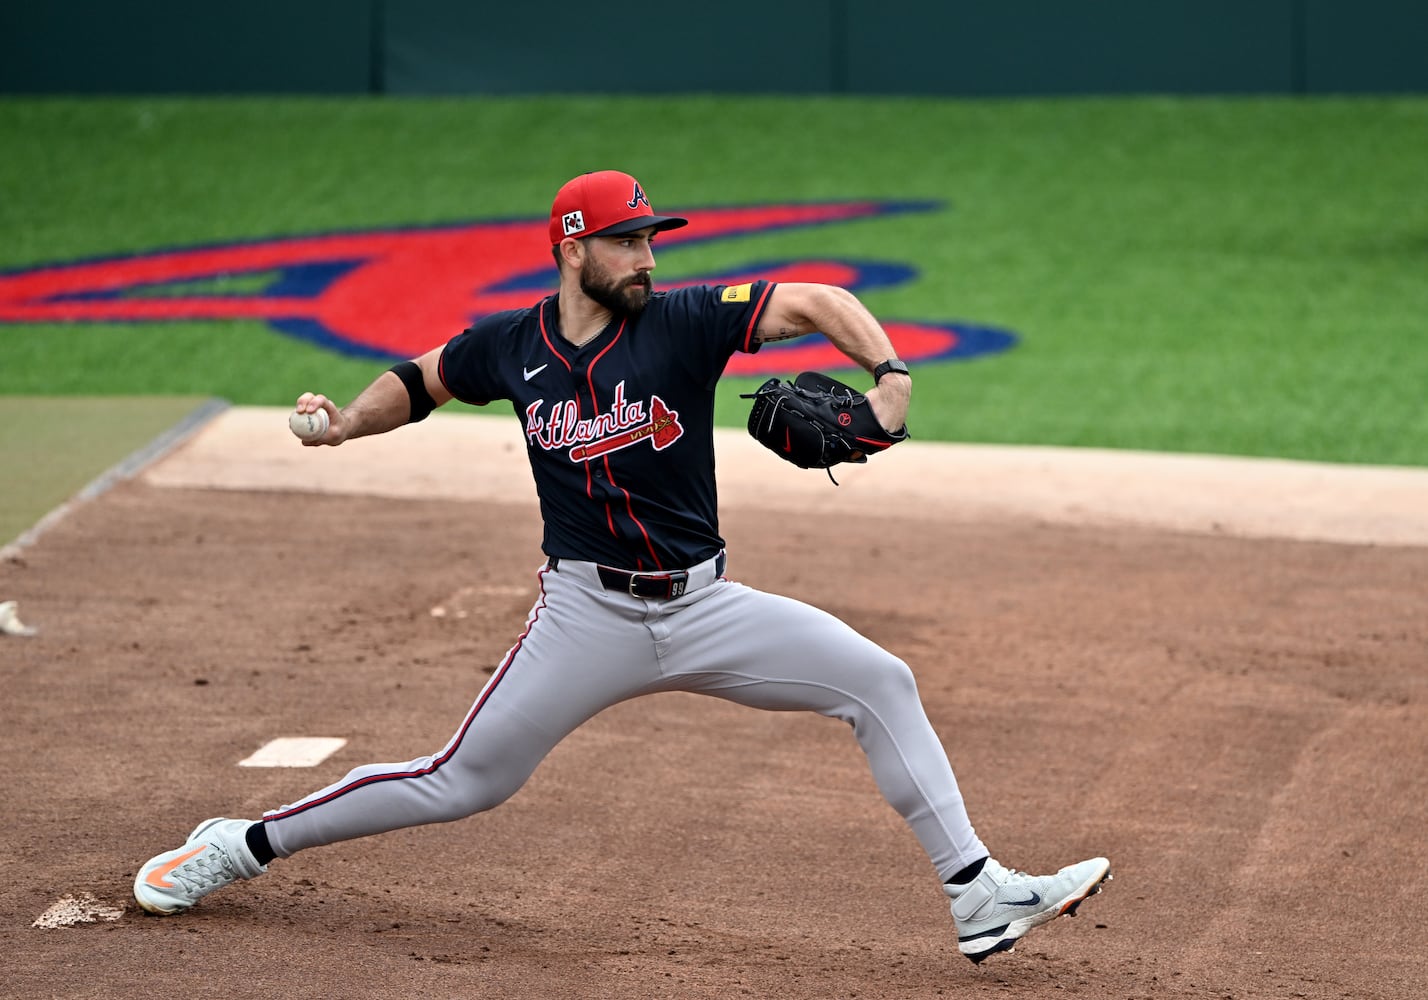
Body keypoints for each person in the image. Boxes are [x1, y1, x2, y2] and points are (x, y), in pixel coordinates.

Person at [133, 170, 1110, 964]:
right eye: (626, 240)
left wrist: (890, 379)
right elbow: (421, 379)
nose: (647, 256)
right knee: (464, 778)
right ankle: (241, 843)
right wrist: (344, 423)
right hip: (585, 619)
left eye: (651, 238)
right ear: (571, 249)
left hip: (706, 606)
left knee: (877, 681)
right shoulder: (512, 348)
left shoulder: (685, 322)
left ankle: (978, 893)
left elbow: (816, 298)